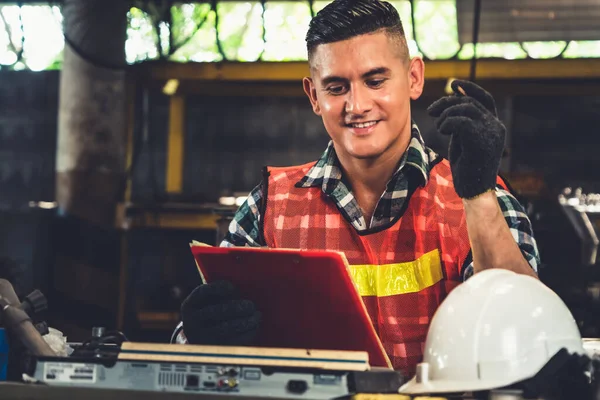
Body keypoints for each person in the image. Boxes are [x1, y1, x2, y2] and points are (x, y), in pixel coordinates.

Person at [173, 0, 540, 377]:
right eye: (336, 87)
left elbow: (527, 332)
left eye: (375, 80)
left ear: (414, 78)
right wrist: (201, 337)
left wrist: (478, 197)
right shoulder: (269, 207)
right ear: (314, 96)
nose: (357, 105)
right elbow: (190, 358)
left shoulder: (479, 197)